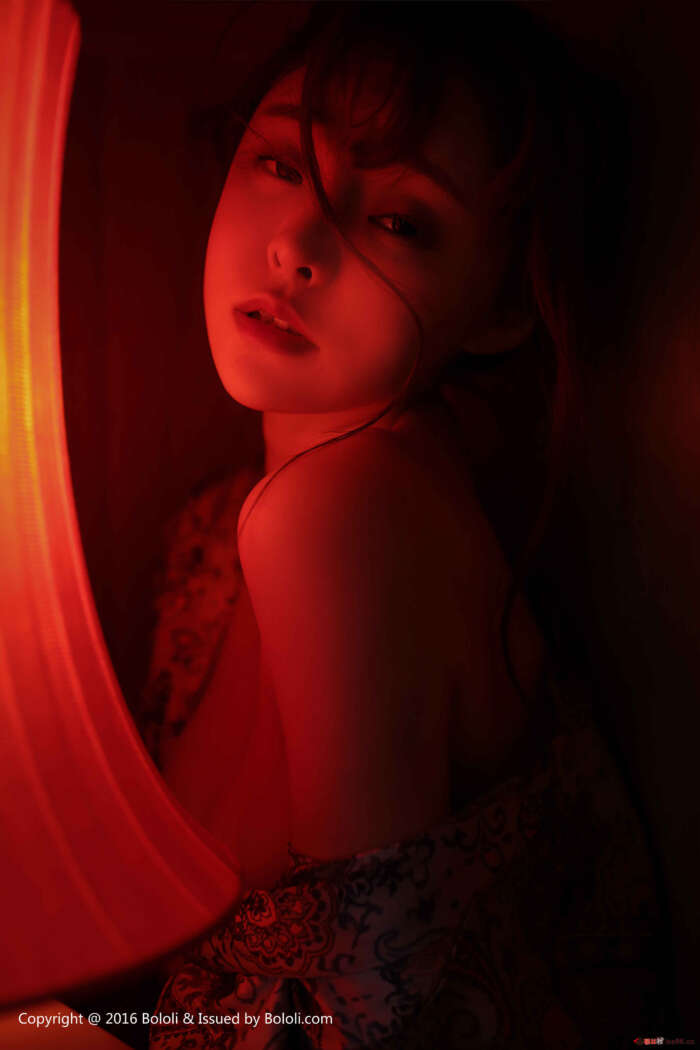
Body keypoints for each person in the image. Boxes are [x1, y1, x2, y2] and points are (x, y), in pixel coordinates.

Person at [137, 4, 671, 1046]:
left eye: (398, 222)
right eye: (280, 164)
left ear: (503, 305)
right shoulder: (221, 524)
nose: (295, 245)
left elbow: (375, 1019)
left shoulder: (342, 517)